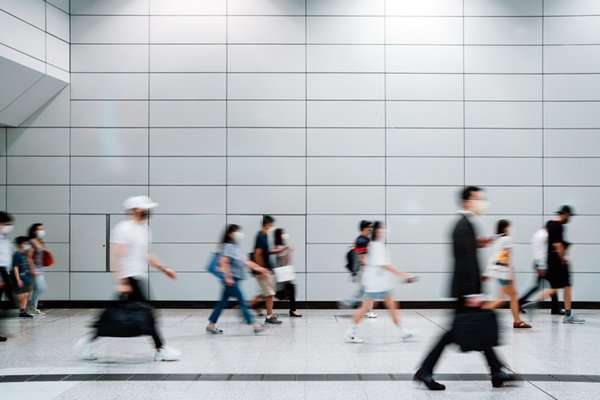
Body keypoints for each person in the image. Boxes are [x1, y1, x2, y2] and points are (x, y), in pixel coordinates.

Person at [414, 186, 517, 391]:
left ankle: (496, 371)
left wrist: (479, 243)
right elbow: (464, 260)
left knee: (472, 328)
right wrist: (471, 292)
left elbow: (467, 252)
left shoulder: (466, 224)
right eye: (478, 199)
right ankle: (426, 370)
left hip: (466, 288)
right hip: (466, 289)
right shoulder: (463, 225)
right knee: (460, 330)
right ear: (466, 201)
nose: (482, 202)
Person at [76, 196, 180, 361]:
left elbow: (147, 253)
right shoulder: (123, 228)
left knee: (115, 313)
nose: (149, 210)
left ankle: (89, 341)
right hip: (129, 277)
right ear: (136, 209)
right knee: (147, 313)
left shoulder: (144, 228)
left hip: (137, 276)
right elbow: (116, 256)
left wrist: (163, 268)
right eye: (146, 207)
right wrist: (121, 281)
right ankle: (161, 349)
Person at [345, 221, 416, 343]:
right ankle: (350, 331)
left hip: (380, 283)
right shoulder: (375, 245)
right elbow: (385, 265)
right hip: (375, 283)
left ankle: (402, 330)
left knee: (392, 306)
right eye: (381, 229)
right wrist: (403, 275)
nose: (384, 231)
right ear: (377, 232)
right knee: (365, 308)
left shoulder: (376, 245)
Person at [524, 206, 584, 324]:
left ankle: (534, 303)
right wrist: (563, 259)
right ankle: (568, 315)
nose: (569, 218)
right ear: (565, 214)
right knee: (567, 286)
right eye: (569, 216)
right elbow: (558, 245)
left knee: (555, 287)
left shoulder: (549, 223)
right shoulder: (559, 226)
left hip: (550, 260)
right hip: (558, 261)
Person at [207, 224, 267, 335]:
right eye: (237, 232)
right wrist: (228, 277)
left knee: (222, 303)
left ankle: (211, 325)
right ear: (230, 234)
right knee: (242, 302)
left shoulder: (235, 247)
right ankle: (254, 325)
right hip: (231, 280)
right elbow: (223, 262)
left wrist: (260, 268)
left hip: (233, 279)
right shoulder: (229, 246)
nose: (240, 234)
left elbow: (246, 262)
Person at [483, 220, 531, 328]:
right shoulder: (507, 239)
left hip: (498, 272)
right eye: (509, 227)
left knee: (504, 298)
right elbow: (505, 257)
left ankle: (517, 321)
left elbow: (496, 257)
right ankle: (476, 316)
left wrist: (489, 272)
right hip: (504, 272)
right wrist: (509, 274)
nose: (510, 229)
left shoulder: (497, 240)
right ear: (505, 228)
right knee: (507, 298)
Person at [249, 215, 287, 325]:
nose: (272, 226)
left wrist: (278, 250)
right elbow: (257, 254)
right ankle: (269, 316)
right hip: (263, 269)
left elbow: (267, 252)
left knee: (267, 293)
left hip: (266, 269)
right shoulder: (260, 236)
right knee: (269, 294)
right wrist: (261, 269)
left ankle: (267, 314)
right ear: (267, 224)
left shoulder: (265, 235)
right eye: (271, 224)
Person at [518, 227, 561, 314]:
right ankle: (518, 302)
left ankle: (555, 308)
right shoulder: (544, 236)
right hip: (543, 264)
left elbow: (537, 251)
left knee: (549, 285)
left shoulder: (537, 234)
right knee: (553, 285)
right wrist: (542, 266)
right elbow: (541, 252)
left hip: (539, 263)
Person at [339, 220, 378, 318]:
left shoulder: (363, 239)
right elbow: (362, 257)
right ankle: (348, 302)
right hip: (363, 270)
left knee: (367, 290)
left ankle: (368, 311)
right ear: (364, 228)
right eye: (369, 227)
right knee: (366, 290)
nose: (371, 229)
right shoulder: (362, 240)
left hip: (364, 269)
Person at [272, 228, 301, 318]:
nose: (285, 235)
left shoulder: (279, 245)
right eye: (283, 233)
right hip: (283, 273)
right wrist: (289, 251)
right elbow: (285, 259)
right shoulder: (280, 246)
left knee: (288, 290)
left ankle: (293, 309)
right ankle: (293, 310)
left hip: (282, 274)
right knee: (288, 290)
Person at [27, 223, 51, 315]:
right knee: (40, 287)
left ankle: (31, 307)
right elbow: (29, 257)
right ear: (34, 231)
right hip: (34, 269)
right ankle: (30, 307)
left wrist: (46, 250)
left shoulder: (40, 242)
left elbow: (42, 252)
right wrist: (32, 269)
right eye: (39, 229)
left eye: (42, 229)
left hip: (40, 268)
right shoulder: (31, 242)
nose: (41, 231)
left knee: (36, 288)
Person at [11, 237, 34, 318]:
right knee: (22, 296)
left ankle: (22, 311)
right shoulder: (16, 255)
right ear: (20, 244)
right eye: (25, 243)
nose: (27, 245)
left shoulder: (25, 254)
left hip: (26, 277)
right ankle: (20, 309)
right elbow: (15, 267)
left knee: (26, 295)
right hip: (20, 278)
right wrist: (18, 279)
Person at [0, 212, 16, 310]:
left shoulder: (5, 238)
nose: (8, 227)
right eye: (5, 224)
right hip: (1, 271)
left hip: (5, 271)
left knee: (9, 293)